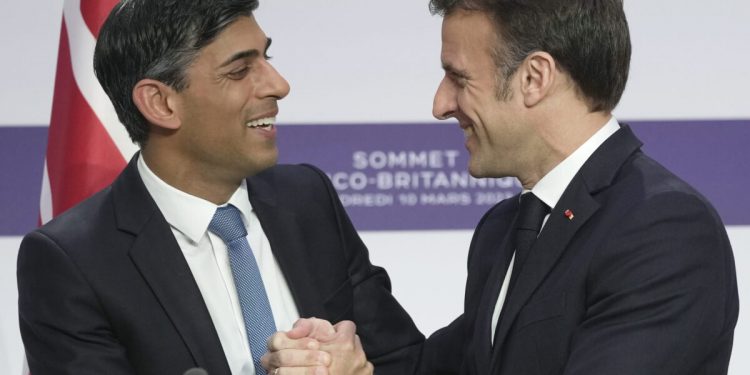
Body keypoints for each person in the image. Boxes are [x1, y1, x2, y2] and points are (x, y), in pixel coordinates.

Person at [267, 0, 739, 374]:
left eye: (458, 77)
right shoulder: (506, 228)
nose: (440, 104)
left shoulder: (663, 229)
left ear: (534, 78)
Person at [16, 1, 422, 374]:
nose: (279, 85)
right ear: (161, 103)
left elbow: (403, 360)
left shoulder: (308, 198)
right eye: (240, 70)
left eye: (267, 58)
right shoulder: (72, 262)